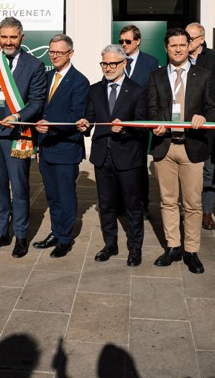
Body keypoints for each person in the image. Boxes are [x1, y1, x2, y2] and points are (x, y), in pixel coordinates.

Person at [147, 28, 215, 274]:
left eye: (182, 45)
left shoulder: (205, 75)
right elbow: (151, 108)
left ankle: (191, 250)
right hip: (165, 146)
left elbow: (214, 108)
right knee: (168, 201)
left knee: (192, 203)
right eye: (173, 45)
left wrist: (204, 117)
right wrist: (155, 124)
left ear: (189, 46)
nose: (178, 49)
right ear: (166, 48)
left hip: (193, 146)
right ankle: (173, 247)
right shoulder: (155, 76)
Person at [0, 17, 47, 258]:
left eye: (13, 37)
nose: (8, 42)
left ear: (21, 38)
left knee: (19, 187)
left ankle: (22, 236)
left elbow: (37, 101)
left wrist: (17, 116)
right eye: (4, 37)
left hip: (18, 135)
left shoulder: (34, 65)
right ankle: (2, 233)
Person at [77, 44, 148, 267]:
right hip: (102, 156)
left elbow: (143, 125)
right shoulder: (95, 89)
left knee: (132, 206)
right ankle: (110, 245)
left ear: (124, 63)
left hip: (128, 157)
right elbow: (90, 116)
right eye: (104, 64)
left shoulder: (137, 90)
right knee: (106, 205)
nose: (107, 68)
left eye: (112, 64)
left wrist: (125, 128)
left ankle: (135, 248)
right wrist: (85, 124)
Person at [33, 34, 90, 259]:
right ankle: (56, 232)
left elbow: (76, 115)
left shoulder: (80, 81)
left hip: (66, 148)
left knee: (65, 196)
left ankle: (65, 239)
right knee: (52, 196)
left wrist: (50, 125)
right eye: (52, 51)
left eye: (60, 52)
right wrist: (38, 146)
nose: (55, 56)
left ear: (71, 53)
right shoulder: (46, 77)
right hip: (46, 147)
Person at [186, 22, 215, 231]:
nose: (186, 42)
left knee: (208, 170)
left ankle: (207, 212)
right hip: (186, 122)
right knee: (188, 170)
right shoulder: (180, 57)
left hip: (209, 123)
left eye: (190, 38)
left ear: (202, 39)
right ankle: (190, 209)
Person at [118, 25, 159, 218]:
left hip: (139, 122)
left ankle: (142, 205)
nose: (124, 45)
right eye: (121, 41)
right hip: (118, 121)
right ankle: (120, 203)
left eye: (128, 41)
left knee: (139, 166)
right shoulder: (116, 60)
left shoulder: (150, 62)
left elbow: (152, 92)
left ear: (138, 41)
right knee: (118, 165)